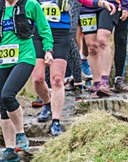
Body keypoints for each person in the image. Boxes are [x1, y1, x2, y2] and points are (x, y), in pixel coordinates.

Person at [0, 0, 53, 162]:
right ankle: (10, 151)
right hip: (4, 60)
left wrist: (48, 50)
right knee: (3, 105)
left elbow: (44, 28)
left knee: (8, 95)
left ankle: (21, 134)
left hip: (25, 57)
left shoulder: (31, 5)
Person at [31, 0, 78, 136]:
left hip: (60, 31)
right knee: (38, 79)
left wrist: (100, 3)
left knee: (57, 79)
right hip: (38, 31)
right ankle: (47, 103)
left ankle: (56, 121)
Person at [79, 0, 123, 97]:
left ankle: (104, 82)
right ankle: (97, 83)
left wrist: (125, 5)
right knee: (91, 47)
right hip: (86, 7)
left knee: (102, 40)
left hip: (109, 4)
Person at [112, 0, 128, 92]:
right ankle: (99, 82)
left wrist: (124, 5)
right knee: (98, 39)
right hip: (99, 4)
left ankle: (119, 78)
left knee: (121, 38)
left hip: (125, 3)